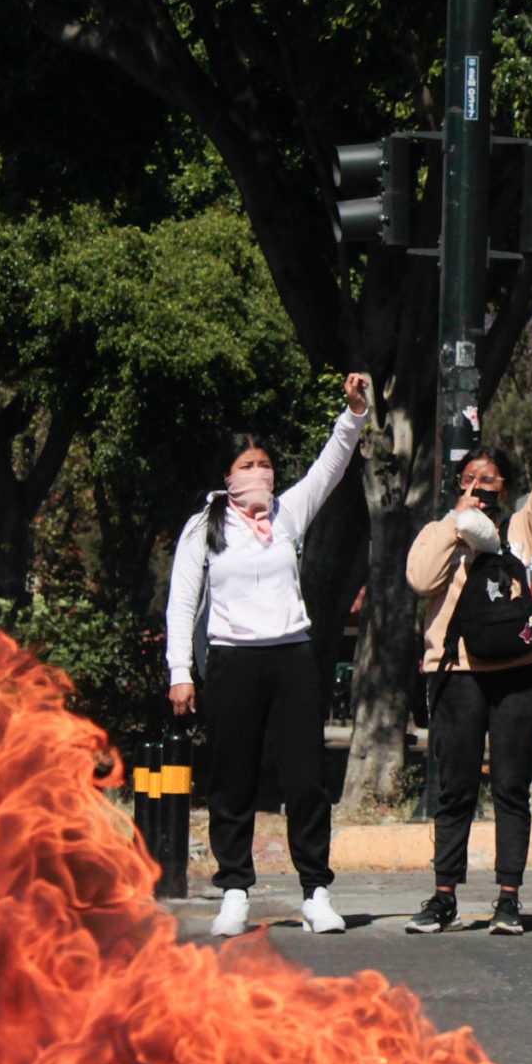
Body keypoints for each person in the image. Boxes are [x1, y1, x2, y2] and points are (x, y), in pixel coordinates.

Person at [165, 374, 371, 939]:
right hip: (232, 661)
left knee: (304, 776)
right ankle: (234, 888)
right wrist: (180, 671)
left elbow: (331, 466)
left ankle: (316, 891)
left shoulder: (288, 513)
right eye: (246, 466)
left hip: (292, 658)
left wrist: (353, 414)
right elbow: (183, 601)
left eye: (265, 464)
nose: (259, 474)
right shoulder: (203, 527)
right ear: (227, 476)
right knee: (232, 777)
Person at [404, 397, 532, 937]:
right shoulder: (446, 528)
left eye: (491, 479)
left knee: (510, 784)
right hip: (457, 673)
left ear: (506, 488)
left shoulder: (524, 529)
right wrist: (459, 523)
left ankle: (509, 896)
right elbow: (419, 579)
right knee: (455, 787)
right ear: (457, 485)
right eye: (471, 477)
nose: (482, 485)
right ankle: (443, 895)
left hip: (518, 671)